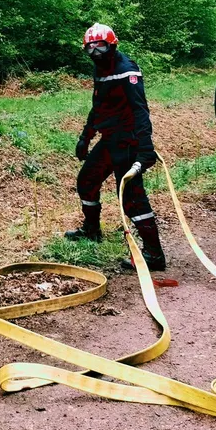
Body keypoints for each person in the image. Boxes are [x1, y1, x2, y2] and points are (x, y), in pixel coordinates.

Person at [65, 23, 165, 272]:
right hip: (109, 140)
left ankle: (154, 255)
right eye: (90, 48)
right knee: (87, 181)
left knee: (131, 198)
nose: (96, 52)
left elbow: (140, 111)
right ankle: (92, 230)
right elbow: (99, 105)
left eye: (101, 46)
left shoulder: (126, 71)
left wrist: (145, 149)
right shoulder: (100, 71)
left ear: (112, 45)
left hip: (128, 142)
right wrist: (85, 137)